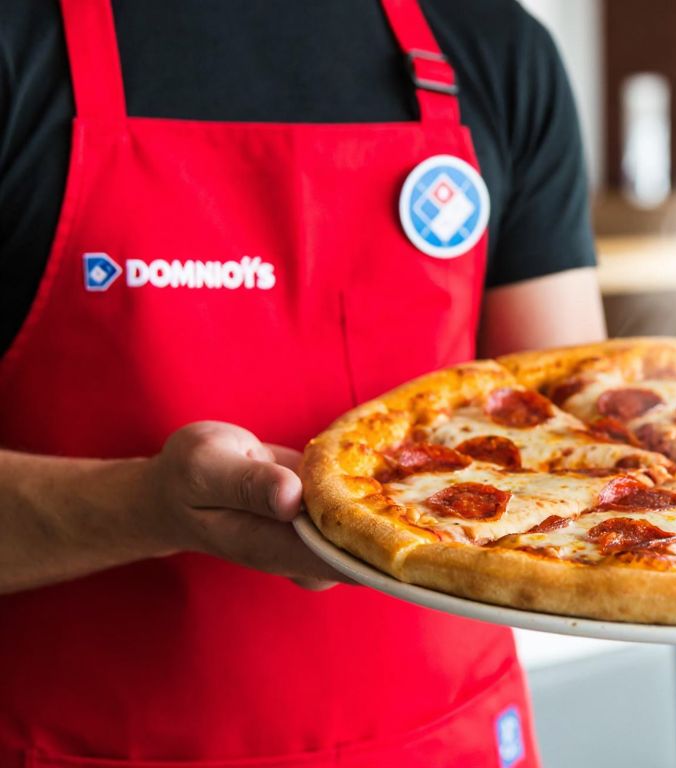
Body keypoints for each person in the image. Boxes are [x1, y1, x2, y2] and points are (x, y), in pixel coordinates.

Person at [0, 0, 606, 764]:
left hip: (442, 736)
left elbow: (580, 453)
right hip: (79, 742)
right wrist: (146, 505)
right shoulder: (20, 40)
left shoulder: (495, 48)